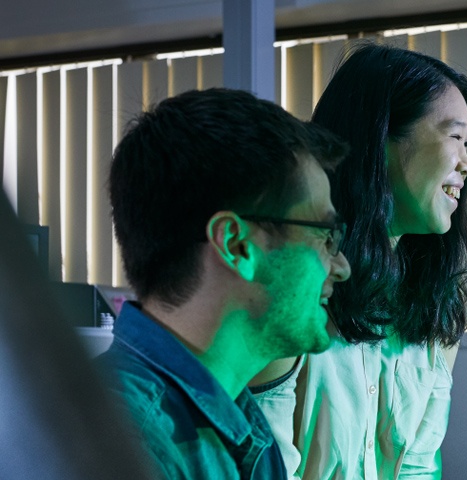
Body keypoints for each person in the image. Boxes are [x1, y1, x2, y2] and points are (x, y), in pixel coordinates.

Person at [250, 44, 467, 479]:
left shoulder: (439, 301)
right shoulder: (292, 288)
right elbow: (267, 468)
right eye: (455, 137)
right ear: (380, 137)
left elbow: (418, 467)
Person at [99, 88, 352, 478]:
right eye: (324, 236)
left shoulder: (240, 416)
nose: (341, 267)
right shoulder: (127, 445)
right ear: (236, 244)